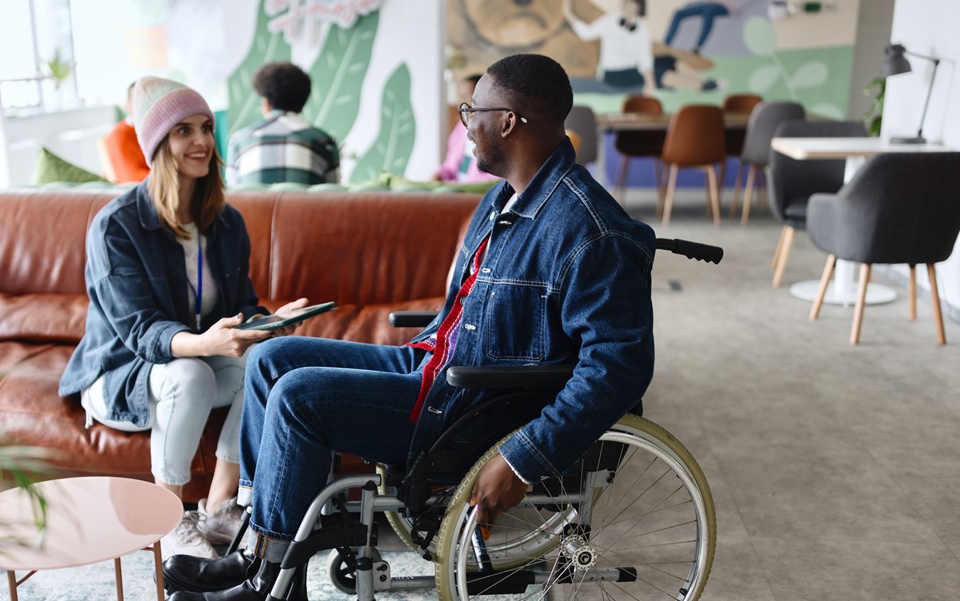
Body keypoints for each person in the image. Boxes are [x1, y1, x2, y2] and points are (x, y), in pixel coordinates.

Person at [162, 53, 657, 601]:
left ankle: (269, 585)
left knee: (300, 397)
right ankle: (261, 552)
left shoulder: (592, 230)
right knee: (269, 359)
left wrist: (522, 458)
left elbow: (619, 366)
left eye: (473, 111)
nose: (464, 124)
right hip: (436, 363)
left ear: (510, 121)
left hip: (469, 406)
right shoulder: (503, 199)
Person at [58, 76, 308, 559]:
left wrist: (268, 322)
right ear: (158, 145)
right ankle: (169, 519)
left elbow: (240, 306)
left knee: (261, 363)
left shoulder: (226, 222)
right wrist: (206, 344)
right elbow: (139, 332)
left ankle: (219, 504)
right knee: (191, 373)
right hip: (120, 375)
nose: (200, 142)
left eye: (206, 128)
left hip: (190, 364)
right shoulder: (117, 226)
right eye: (183, 131)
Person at [226, 62, 340, 186]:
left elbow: (233, 192)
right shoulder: (325, 141)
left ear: (265, 104)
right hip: (305, 206)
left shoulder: (239, 140)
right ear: (302, 106)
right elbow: (332, 194)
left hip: (251, 206)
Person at [564, 0, 656, 94]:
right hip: (611, 76)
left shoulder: (642, 28)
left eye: (630, 2)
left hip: (632, 76)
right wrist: (569, 13)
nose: (625, 4)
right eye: (625, 2)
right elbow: (586, 33)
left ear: (638, 6)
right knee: (574, 83)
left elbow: (645, 57)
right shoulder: (609, 20)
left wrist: (650, 82)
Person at [433, 74, 498, 183]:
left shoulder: (493, 130)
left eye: (466, 96)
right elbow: (450, 166)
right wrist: (439, 174)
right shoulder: (461, 127)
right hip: (457, 190)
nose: (462, 103)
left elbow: (495, 177)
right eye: (460, 96)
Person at [101, 80, 151, 184]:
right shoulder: (119, 135)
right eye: (138, 100)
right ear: (127, 105)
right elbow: (130, 177)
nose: (145, 104)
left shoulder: (155, 130)